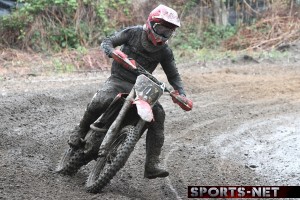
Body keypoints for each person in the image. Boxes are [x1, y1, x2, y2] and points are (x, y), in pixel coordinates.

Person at [68, 4, 192, 179]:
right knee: (102, 99)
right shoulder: (133, 32)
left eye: (168, 32)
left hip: (142, 87)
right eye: (160, 29)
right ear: (150, 23)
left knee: (159, 115)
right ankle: (80, 130)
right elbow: (108, 41)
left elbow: (173, 75)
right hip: (119, 79)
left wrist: (181, 94)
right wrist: (113, 52)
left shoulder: (164, 50)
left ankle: (152, 164)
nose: (163, 34)